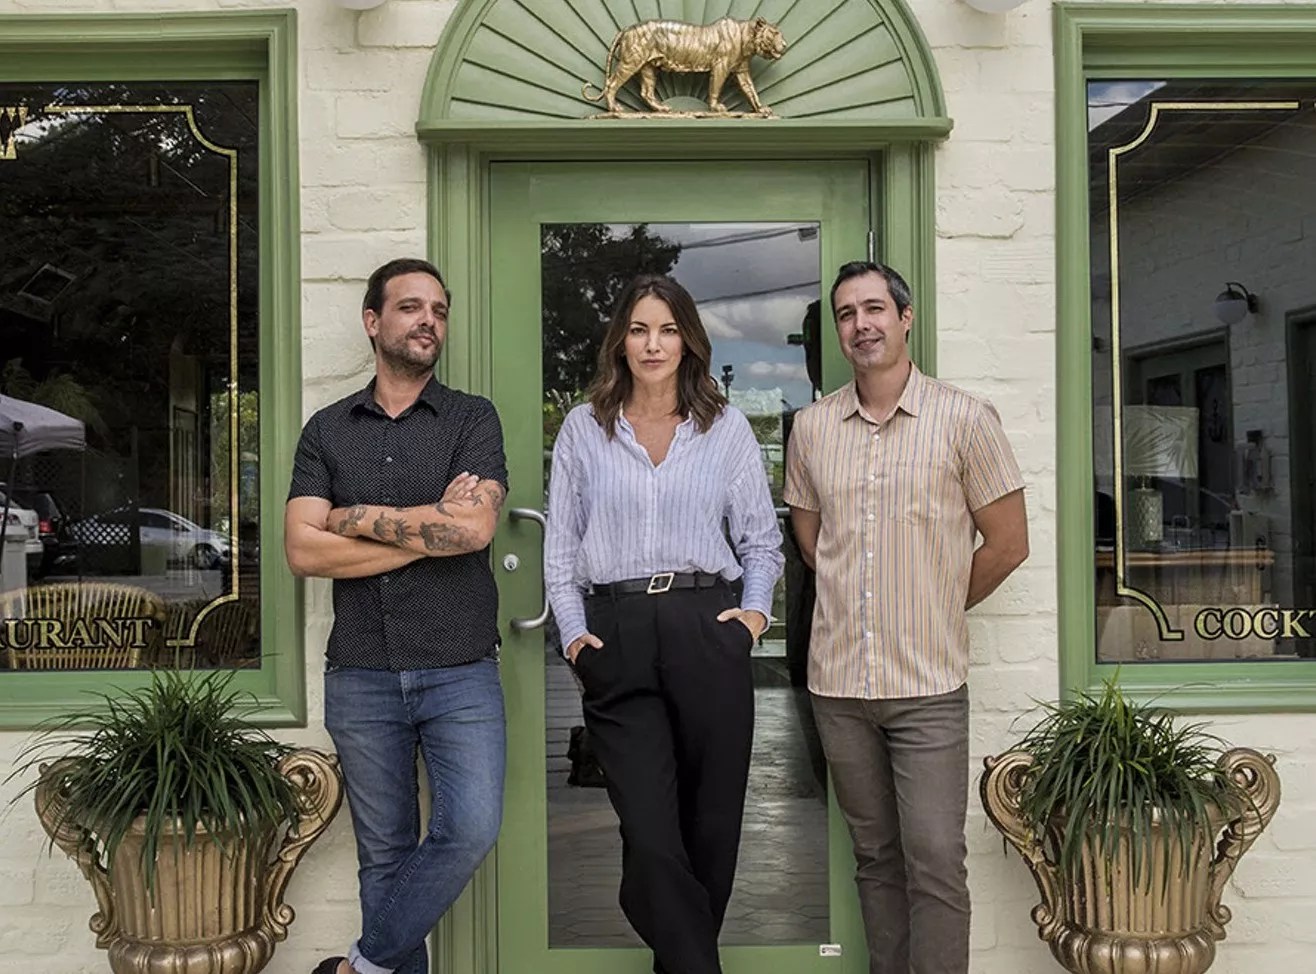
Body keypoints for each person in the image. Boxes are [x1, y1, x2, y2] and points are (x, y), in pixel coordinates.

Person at [784, 261, 1028, 974]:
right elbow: (812, 541)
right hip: (839, 690)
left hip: (927, 690)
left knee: (935, 862)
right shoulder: (813, 428)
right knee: (875, 859)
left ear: (905, 317)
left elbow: (1008, 543)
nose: (861, 325)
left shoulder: (965, 419)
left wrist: (934, 600)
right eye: (846, 314)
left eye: (874, 309)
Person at [544, 273, 784, 974]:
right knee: (650, 835)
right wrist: (572, 635)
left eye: (669, 329)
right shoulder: (584, 429)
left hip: (705, 623)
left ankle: (679, 963)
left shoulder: (726, 429)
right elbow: (561, 546)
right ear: (620, 338)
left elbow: (761, 542)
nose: (653, 344)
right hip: (615, 631)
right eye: (640, 329)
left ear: (689, 342)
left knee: (710, 830)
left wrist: (752, 618)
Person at [284, 258, 508, 974]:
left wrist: (352, 522)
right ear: (374, 322)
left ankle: (357, 968)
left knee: (470, 828)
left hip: (461, 668)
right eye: (412, 307)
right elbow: (301, 550)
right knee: (383, 856)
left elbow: (472, 533)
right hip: (362, 672)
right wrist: (426, 530)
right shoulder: (326, 430)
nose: (429, 322)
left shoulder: (473, 418)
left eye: (439, 310)